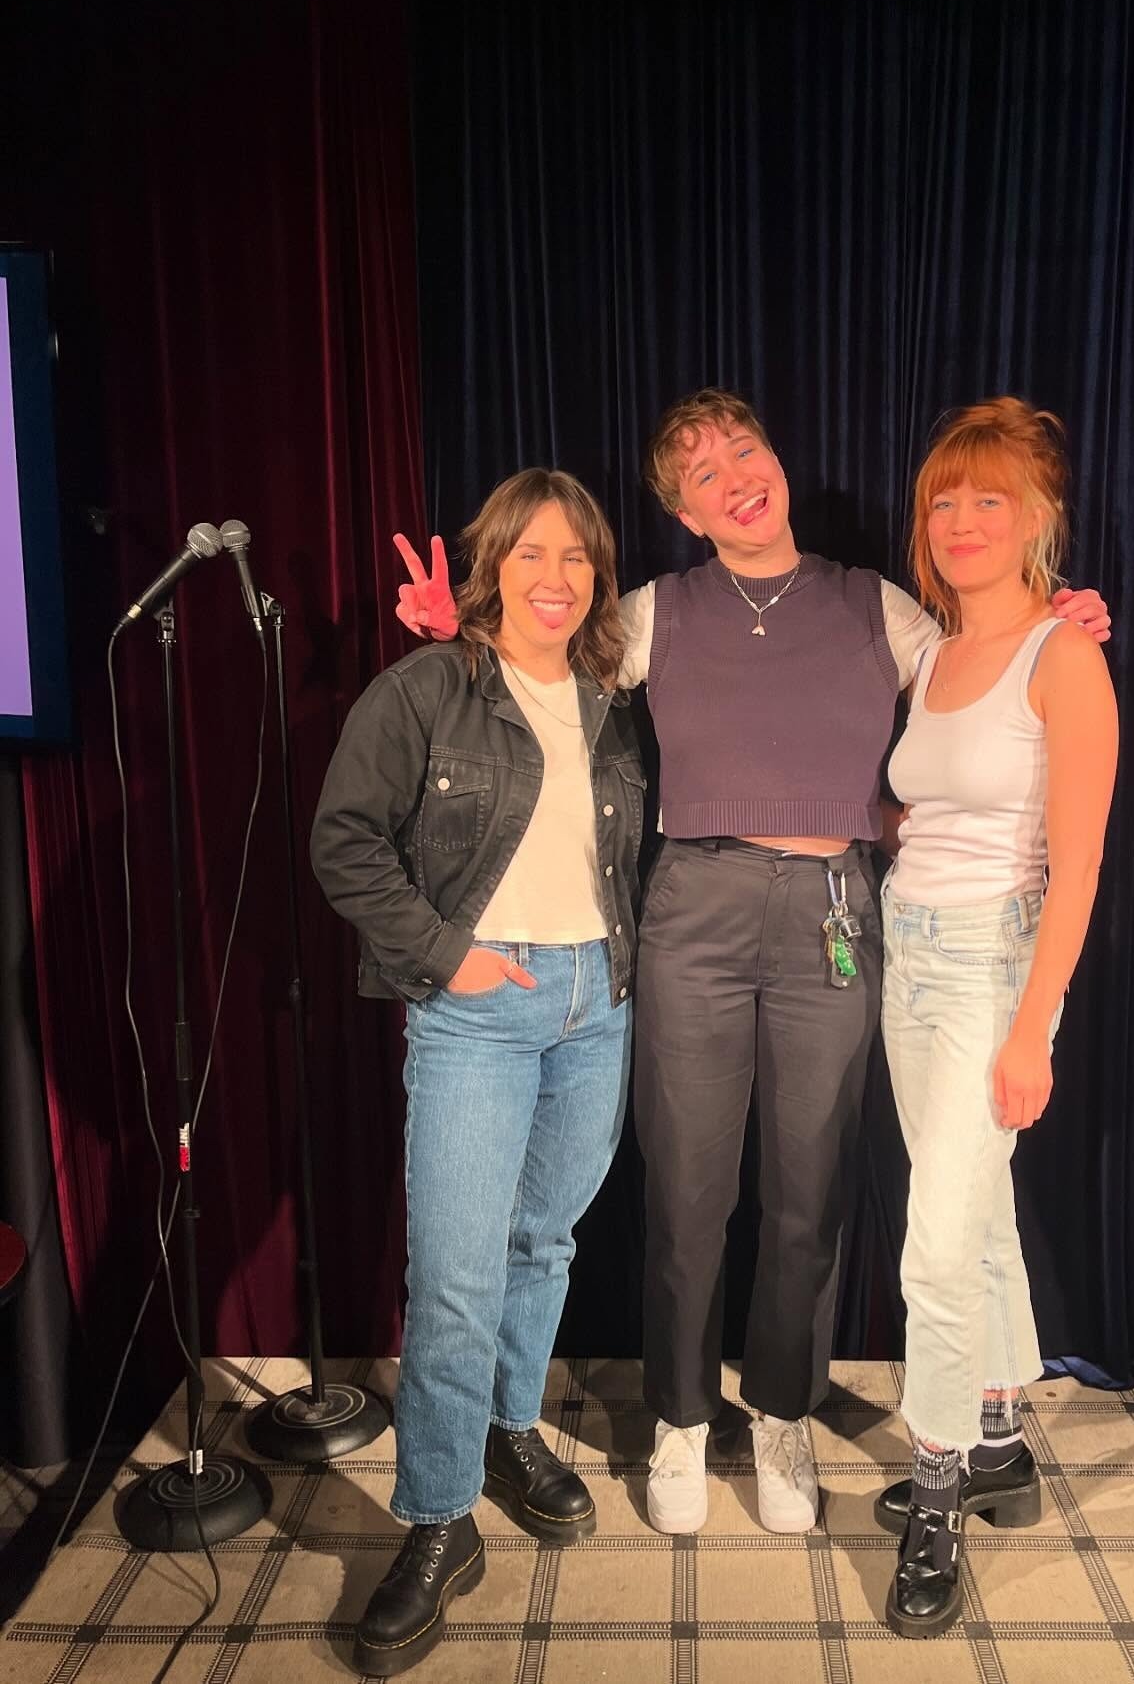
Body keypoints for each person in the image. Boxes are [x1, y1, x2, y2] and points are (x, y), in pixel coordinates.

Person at [391, 389, 1112, 1539]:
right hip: (696, 908)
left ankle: (781, 1412)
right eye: (702, 473)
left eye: (743, 451)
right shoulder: (655, 613)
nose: (733, 477)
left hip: (836, 913)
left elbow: (985, 669)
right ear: (684, 513)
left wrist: (1059, 616)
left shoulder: (874, 604)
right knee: (686, 1188)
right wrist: (457, 635)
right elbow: (538, 669)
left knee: (808, 1193)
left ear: (776, 460)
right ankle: (682, 1417)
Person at [313, 470, 643, 1678]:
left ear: (599, 576)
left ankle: (511, 1427)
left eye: (577, 557)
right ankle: (437, 1518)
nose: (556, 577)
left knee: (542, 1241)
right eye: (531, 553)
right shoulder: (426, 689)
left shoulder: (613, 700)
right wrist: (449, 957)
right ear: (494, 563)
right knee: (454, 1275)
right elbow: (344, 841)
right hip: (479, 1006)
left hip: (596, 1004)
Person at [870, 398, 1118, 1638]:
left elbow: (1077, 868)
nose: (961, 521)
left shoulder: (1064, 655)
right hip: (904, 953)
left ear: (1037, 517)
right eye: (944, 501)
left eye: (989, 500)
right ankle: (1000, 1439)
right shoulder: (931, 654)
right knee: (971, 1216)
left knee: (933, 1246)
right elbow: (921, 808)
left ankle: (937, 1494)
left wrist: (1033, 1027)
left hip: (991, 969)